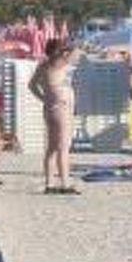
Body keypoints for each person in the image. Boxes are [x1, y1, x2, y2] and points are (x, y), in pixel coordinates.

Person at [29, 40, 80, 194]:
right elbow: (75, 52)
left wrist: (44, 97)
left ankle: (49, 183)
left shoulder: (43, 65)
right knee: (63, 147)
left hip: (51, 107)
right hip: (61, 108)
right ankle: (65, 184)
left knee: (52, 147)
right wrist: (68, 47)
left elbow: (32, 85)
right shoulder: (58, 62)